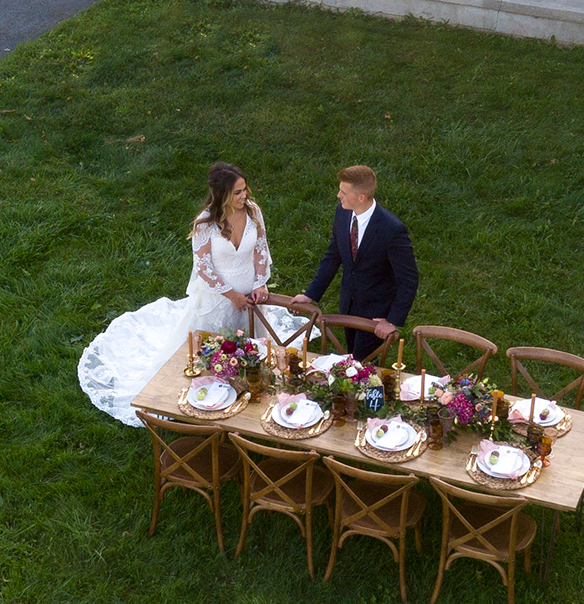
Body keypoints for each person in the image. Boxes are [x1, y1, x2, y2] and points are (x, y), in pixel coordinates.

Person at [77, 162, 273, 426]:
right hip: (219, 297)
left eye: (244, 190)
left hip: (249, 293)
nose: (244, 197)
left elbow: (260, 248)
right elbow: (204, 267)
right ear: (222, 195)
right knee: (211, 354)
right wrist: (232, 296)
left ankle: (249, 395)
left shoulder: (253, 212)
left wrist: (260, 283)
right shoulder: (206, 223)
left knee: (254, 350)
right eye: (237, 193)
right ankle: (211, 400)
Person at [293, 165, 419, 358]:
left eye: (343, 192)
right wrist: (311, 294)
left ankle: (373, 389)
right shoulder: (343, 213)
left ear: (361, 197)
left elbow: (408, 279)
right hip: (349, 306)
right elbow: (333, 255)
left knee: (362, 365)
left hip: (376, 313)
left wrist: (392, 320)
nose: (338, 195)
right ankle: (361, 385)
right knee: (353, 358)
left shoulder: (392, 230)